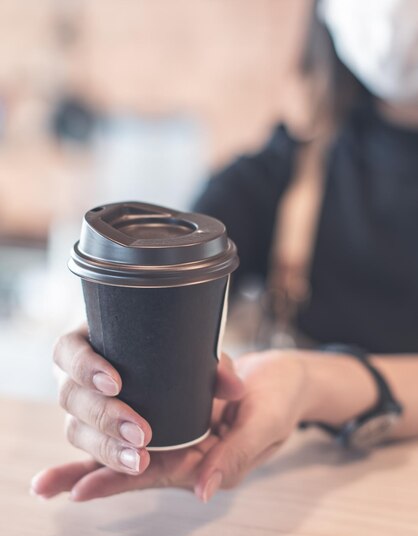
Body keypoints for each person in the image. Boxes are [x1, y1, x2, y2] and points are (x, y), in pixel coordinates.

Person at [32, 0, 418, 503]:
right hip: (296, 504)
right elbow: (161, 276)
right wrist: (102, 359)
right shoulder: (277, 180)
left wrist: (314, 382)